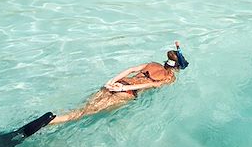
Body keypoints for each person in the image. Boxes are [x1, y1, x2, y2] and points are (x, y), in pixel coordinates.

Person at [47, 41, 188, 126]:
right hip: (126, 91)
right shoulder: (169, 78)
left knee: (82, 107)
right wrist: (125, 88)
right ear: (177, 68)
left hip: (117, 83)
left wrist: (112, 81)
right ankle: (48, 123)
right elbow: (149, 85)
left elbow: (130, 69)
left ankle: (50, 119)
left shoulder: (152, 64)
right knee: (80, 114)